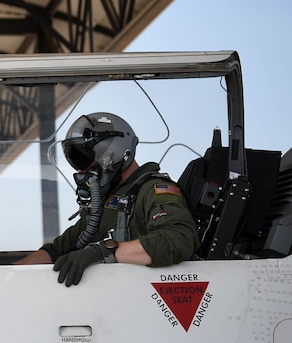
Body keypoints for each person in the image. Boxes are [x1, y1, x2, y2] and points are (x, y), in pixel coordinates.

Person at [15, 112, 199, 286]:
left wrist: (104, 251)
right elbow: (57, 251)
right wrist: (9, 275)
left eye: (83, 159)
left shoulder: (152, 190)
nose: (81, 171)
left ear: (113, 153)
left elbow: (178, 239)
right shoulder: (105, 204)